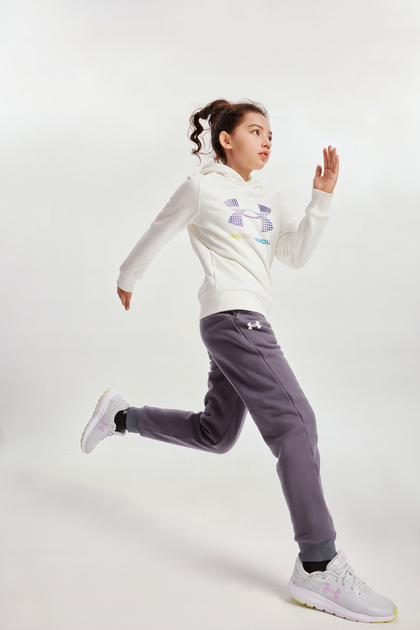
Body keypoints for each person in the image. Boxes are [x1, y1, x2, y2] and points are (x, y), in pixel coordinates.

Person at [80, 99, 397, 623]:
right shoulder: (201, 186)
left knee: (217, 433)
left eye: (271, 134)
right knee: (296, 423)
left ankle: (121, 417)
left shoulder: (270, 197)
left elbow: (293, 254)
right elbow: (159, 229)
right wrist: (127, 277)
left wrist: (321, 199)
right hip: (232, 318)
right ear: (226, 140)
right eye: (256, 131)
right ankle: (318, 564)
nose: (267, 140)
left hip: (244, 322)